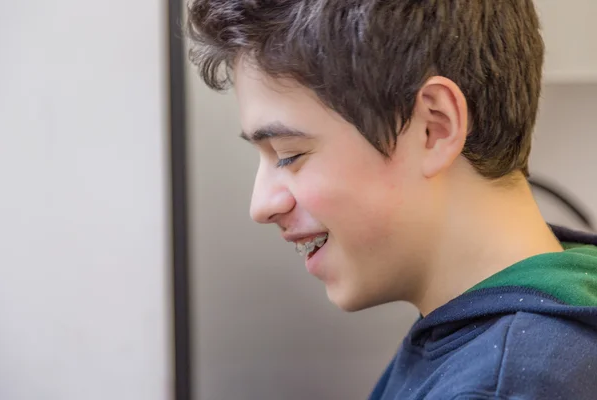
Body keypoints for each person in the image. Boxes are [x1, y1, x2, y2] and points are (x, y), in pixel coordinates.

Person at [186, 1, 597, 399]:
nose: (261, 205)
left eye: (290, 154)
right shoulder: (558, 304)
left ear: (433, 129)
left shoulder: (501, 387)